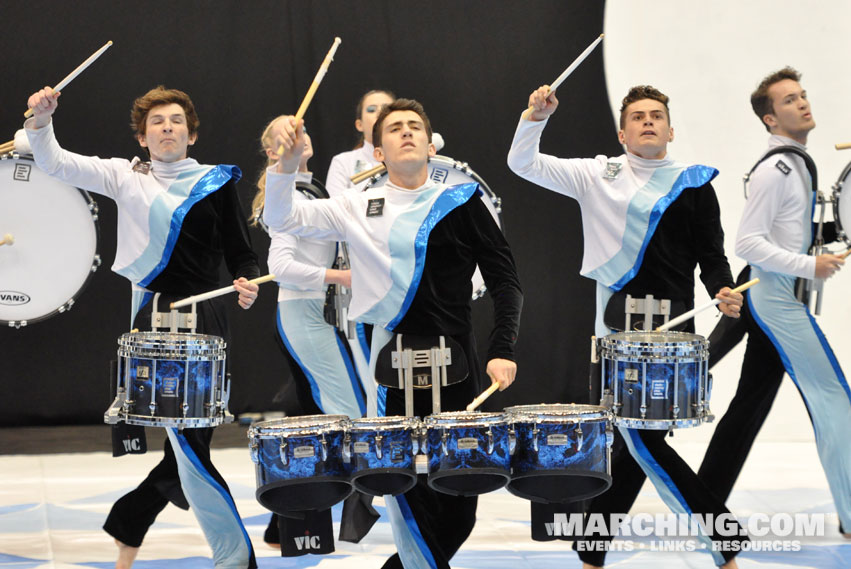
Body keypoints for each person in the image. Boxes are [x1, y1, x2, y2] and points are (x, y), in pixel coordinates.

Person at [264, 98, 523, 569]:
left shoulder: (462, 202)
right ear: (378, 152)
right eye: (395, 129)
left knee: (460, 507)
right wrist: (283, 166)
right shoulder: (356, 205)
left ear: (429, 144)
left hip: (460, 362)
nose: (406, 132)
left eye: (415, 127)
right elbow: (282, 220)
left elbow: (506, 282)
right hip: (391, 367)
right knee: (407, 494)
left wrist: (501, 348)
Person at [507, 84, 745, 568]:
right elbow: (523, 164)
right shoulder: (597, 174)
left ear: (671, 129)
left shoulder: (695, 183)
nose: (648, 122)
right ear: (622, 132)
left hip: (673, 336)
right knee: (639, 439)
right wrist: (535, 117)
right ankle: (724, 543)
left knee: (637, 441)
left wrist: (723, 291)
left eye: (657, 115)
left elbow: (711, 256)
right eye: (638, 116)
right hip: (616, 332)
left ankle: (591, 551)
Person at [26, 85, 260, 569]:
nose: (167, 127)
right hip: (153, 315)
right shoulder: (124, 176)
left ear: (191, 134)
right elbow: (56, 163)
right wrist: (42, 120)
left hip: (208, 317)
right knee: (190, 443)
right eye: (157, 122)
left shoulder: (216, 181)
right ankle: (234, 558)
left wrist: (247, 282)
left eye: (176, 120)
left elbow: (240, 251)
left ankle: (130, 520)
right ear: (142, 136)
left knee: (193, 440)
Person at [699, 67, 850, 536]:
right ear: (770, 119)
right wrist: (812, 266)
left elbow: (790, 234)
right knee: (835, 402)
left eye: (803, 95)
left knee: (750, 405)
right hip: (776, 299)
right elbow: (748, 243)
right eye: (789, 101)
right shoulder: (778, 168)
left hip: (772, 293)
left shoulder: (795, 161)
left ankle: (700, 504)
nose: (802, 103)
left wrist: (825, 241)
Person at [251, 116, 377, 554]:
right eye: (286, 135)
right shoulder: (291, 194)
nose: (299, 135)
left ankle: (287, 524)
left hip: (315, 314)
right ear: (273, 152)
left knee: (317, 416)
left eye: (300, 129)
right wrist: (339, 276)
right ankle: (351, 513)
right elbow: (281, 267)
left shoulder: (315, 189)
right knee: (350, 415)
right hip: (302, 313)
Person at [325, 89, 396, 196]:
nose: (380, 112)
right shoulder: (343, 162)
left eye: (387, 108)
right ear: (359, 125)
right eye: (371, 109)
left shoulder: (411, 156)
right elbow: (334, 207)